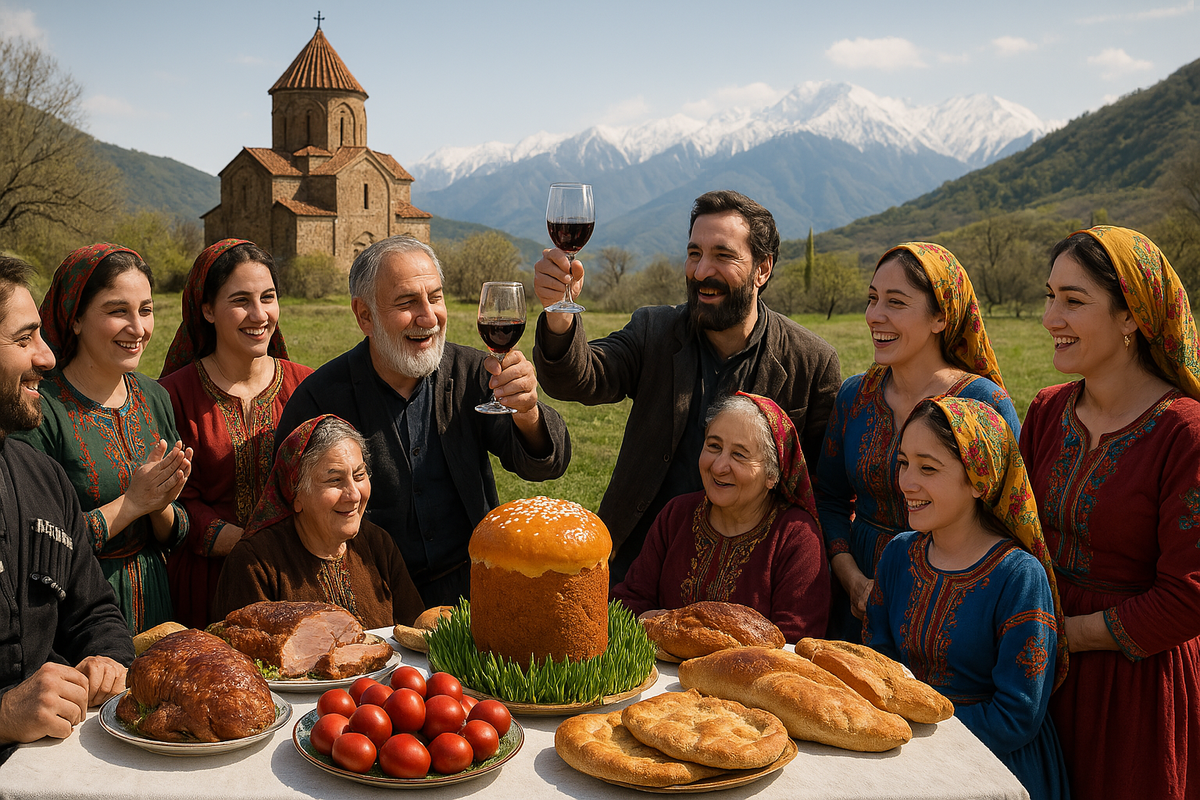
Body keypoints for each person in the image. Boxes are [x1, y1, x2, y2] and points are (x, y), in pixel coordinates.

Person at [533, 190, 840, 583]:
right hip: (637, 567)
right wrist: (558, 315)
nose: (700, 271)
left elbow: (817, 493)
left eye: (722, 255)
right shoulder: (654, 331)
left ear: (762, 269)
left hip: (748, 579)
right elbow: (581, 377)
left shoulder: (811, 363)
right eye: (694, 253)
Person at [276, 235, 570, 608]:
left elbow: (549, 463)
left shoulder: (475, 374)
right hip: (368, 599)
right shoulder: (320, 401)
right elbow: (291, 515)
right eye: (407, 302)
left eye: (435, 297)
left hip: (473, 590)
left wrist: (527, 412)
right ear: (364, 315)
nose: (429, 318)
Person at [1020, 226, 1200, 799]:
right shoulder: (1049, 411)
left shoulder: (1184, 433)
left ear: (1131, 318)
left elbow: (1188, 598)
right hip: (1039, 672)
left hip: (1136, 684)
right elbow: (1010, 531)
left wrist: (1065, 636)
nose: (1052, 317)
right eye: (1050, 296)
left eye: (1074, 301)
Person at [866, 397, 1068, 800]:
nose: (907, 481)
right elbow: (876, 664)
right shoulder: (899, 555)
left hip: (992, 767)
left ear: (979, 480)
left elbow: (1016, 716)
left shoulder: (1018, 576)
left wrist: (921, 737)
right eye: (904, 462)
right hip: (902, 755)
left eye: (928, 468)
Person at [816, 242, 1019, 640]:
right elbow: (829, 497)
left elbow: (1004, 519)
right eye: (873, 299)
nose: (875, 315)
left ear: (940, 317)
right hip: (853, 597)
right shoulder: (854, 396)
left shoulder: (981, 404)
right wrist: (851, 578)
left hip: (949, 605)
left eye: (896, 302)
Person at [13, 244, 191, 635]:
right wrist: (132, 503)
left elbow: (176, 531)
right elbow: (35, 544)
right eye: (117, 311)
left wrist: (159, 505)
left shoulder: (154, 396)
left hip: (157, 601)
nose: (138, 328)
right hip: (78, 615)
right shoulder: (39, 409)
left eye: (145, 310)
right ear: (74, 318)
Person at [0, 255, 133, 759]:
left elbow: (95, 610)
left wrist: (106, 657)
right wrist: (4, 716)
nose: (47, 357)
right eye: (23, 339)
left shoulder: (43, 478)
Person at [159, 239, 313, 629]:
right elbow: (173, 499)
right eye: (241, 300)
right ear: (207, 309)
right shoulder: (172, 394)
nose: (259, 314)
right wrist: (240, 543)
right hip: (205, 583)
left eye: (268, 297)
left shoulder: (307, 386)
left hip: (291, 577)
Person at [612, 392, 829, 641]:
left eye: (739, 454)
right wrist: (649, 623)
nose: (718, 466)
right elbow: (630, 601)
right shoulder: (677, 514)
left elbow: (794, 643)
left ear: (772, 474)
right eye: (713, 446)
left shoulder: (796, 536)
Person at [212, 416, 423, 627]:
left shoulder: (377, 544)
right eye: (335, 480)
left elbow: (415, 635)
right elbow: (242, 653)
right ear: (295, 494)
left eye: (359, 475)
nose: (354, 495)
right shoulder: (255, 564)